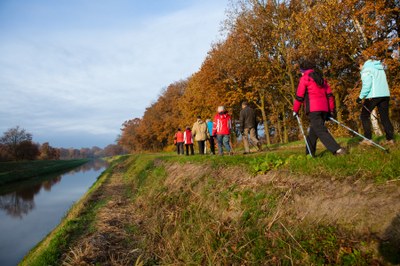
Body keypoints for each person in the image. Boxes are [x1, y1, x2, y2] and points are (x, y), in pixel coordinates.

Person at [292, 60, 346, 156]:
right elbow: (329, 95)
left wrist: (295, 109)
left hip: (313, 109)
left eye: (301, 71)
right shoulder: (321, 79)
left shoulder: (305, 79)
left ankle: (337, 150)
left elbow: (299, 96)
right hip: (324, 109)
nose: (300, 73)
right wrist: (331, 110)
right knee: (314, 131)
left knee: (320, 130)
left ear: (303, 71)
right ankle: (309, 154)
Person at [356, 56, 395, 146]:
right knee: (384, 117)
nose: (359, 69)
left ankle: (368, 139)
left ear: (360, 64)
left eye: (358, 67)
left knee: (364, 115)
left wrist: (360, 97)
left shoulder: (366, 69)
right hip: (385, 94)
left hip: (373, 95)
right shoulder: (379, 67)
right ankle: (390, 139)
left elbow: (367, 85)